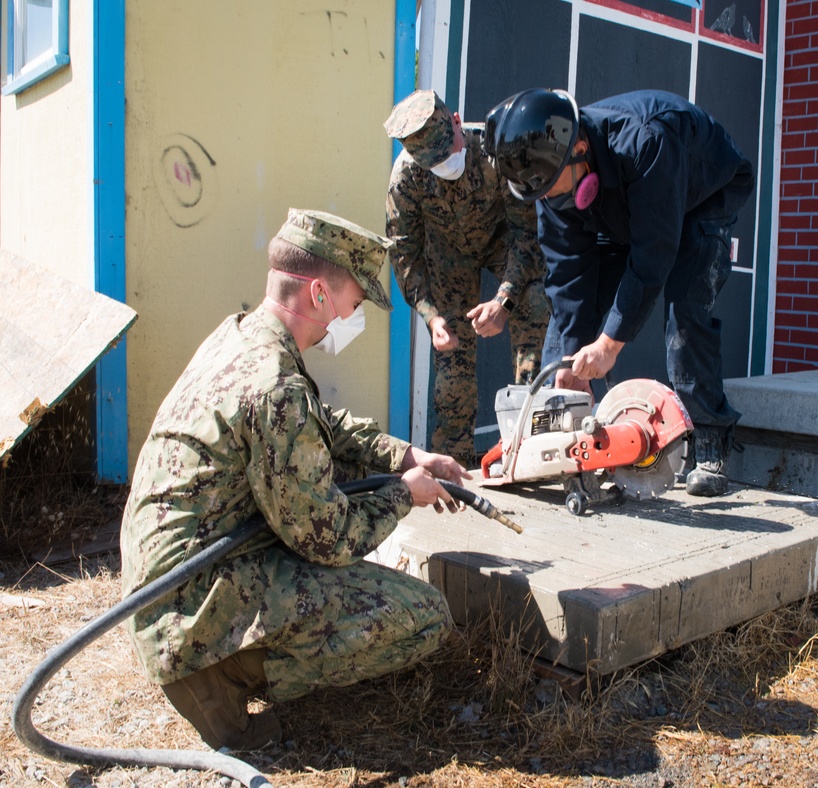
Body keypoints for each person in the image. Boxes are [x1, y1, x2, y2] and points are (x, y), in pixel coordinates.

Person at [120, 209, 470, 751]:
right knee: (425, 616)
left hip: (174, 584)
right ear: (318, 295)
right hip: (189, 608)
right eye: (355, 303)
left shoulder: (240, 336)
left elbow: (319, 428)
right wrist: (405, 495)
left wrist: (405, 456)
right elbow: (329, 539)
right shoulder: (273, 386)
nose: (354, 317)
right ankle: (220, 677)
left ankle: (223, 656)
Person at [484, 88, 755, 497]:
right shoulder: (549, 176)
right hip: (623, 210)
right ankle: (554, 444)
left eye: (554, 190)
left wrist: (610, 343)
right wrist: (572, 361)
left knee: (686, 311)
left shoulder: (646, 140)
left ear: (578, 146)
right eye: (543, 194)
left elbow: (653, 256)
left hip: (702, 198)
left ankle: (711, 441)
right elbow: (567, 275)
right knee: (566, 348)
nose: (551, 200)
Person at [384, 89, 550, 467]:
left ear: (457, 122)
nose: (446, 164)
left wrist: (504, 301)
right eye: (434, 162)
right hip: (447, 258)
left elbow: (527, 236)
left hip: (501, 242)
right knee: (451, 354)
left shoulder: (496, 152)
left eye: (449, 151)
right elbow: (404, 255)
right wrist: (431, 315)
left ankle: (533, 439)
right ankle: (451, 463)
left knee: (535, 301)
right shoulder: (405, 180)